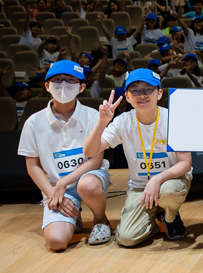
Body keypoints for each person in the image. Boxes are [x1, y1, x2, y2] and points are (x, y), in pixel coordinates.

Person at [83, 69, 193, 246]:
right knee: (127, 239)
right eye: (135, 90)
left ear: (159, 93)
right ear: (127, 97)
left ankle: (169, 214)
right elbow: (90, 151)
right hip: (140, 186)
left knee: (168, 192)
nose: (142, 95)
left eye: (148, 89)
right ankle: (153, 219)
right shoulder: (122, 121)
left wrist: (157, 179)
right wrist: (102, 122)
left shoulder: (173, 119)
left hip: (171, 180)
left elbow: (185, 163)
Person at [18, 60, 112, 250]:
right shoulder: (33, 122)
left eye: (70, 80)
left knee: (88, 185)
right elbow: (32, 165)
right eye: (57, 80)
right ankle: (73, 214)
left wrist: (63, 183)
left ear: (81, 87)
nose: (63, 85)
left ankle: (100, 220)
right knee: (57, 241)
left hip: (88, 177)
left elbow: (96, 159)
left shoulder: (93, 116)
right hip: (55, 187)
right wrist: (52, 193)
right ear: (47, 86)